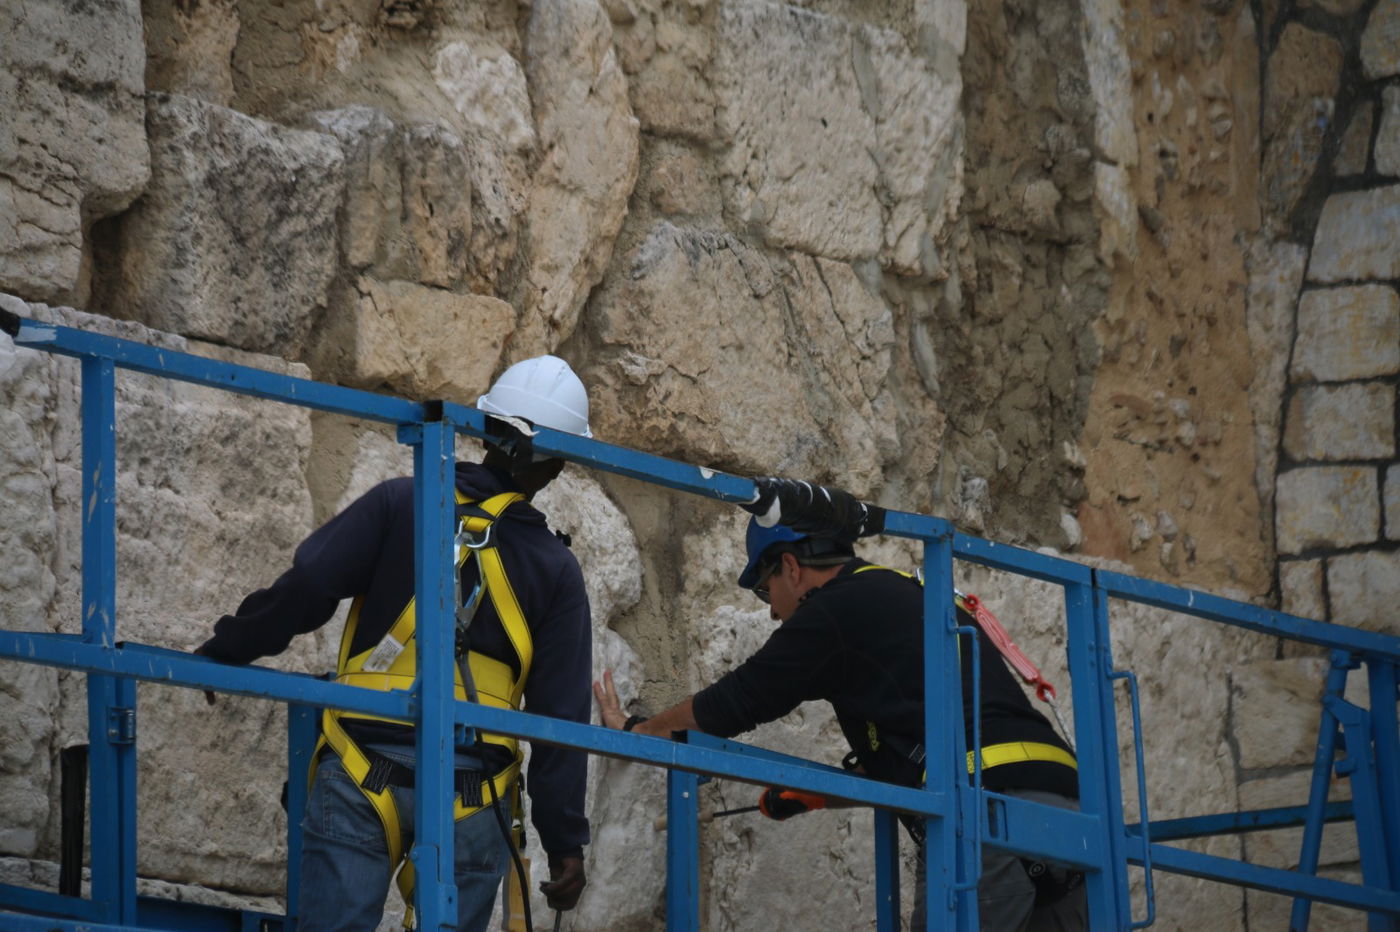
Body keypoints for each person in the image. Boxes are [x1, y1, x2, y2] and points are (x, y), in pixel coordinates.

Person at [197, 355, 594, 932]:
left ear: (485, 430)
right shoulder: (556, 569)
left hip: (362, 762)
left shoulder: (400, 502)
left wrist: (229, 649)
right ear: (560, 464)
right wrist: (565, 843)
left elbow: (309, 585)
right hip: (474, 788)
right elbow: (560, 720)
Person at [594, 480, 1085, 931]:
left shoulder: (834, 608)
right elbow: (936, 745)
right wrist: (822, 795)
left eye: (767, 589)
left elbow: (738, 699)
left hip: (982, 816)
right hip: (1067, 813)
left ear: (790, 566)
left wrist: (641, 731)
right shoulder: (909, 595)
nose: (771, 609)